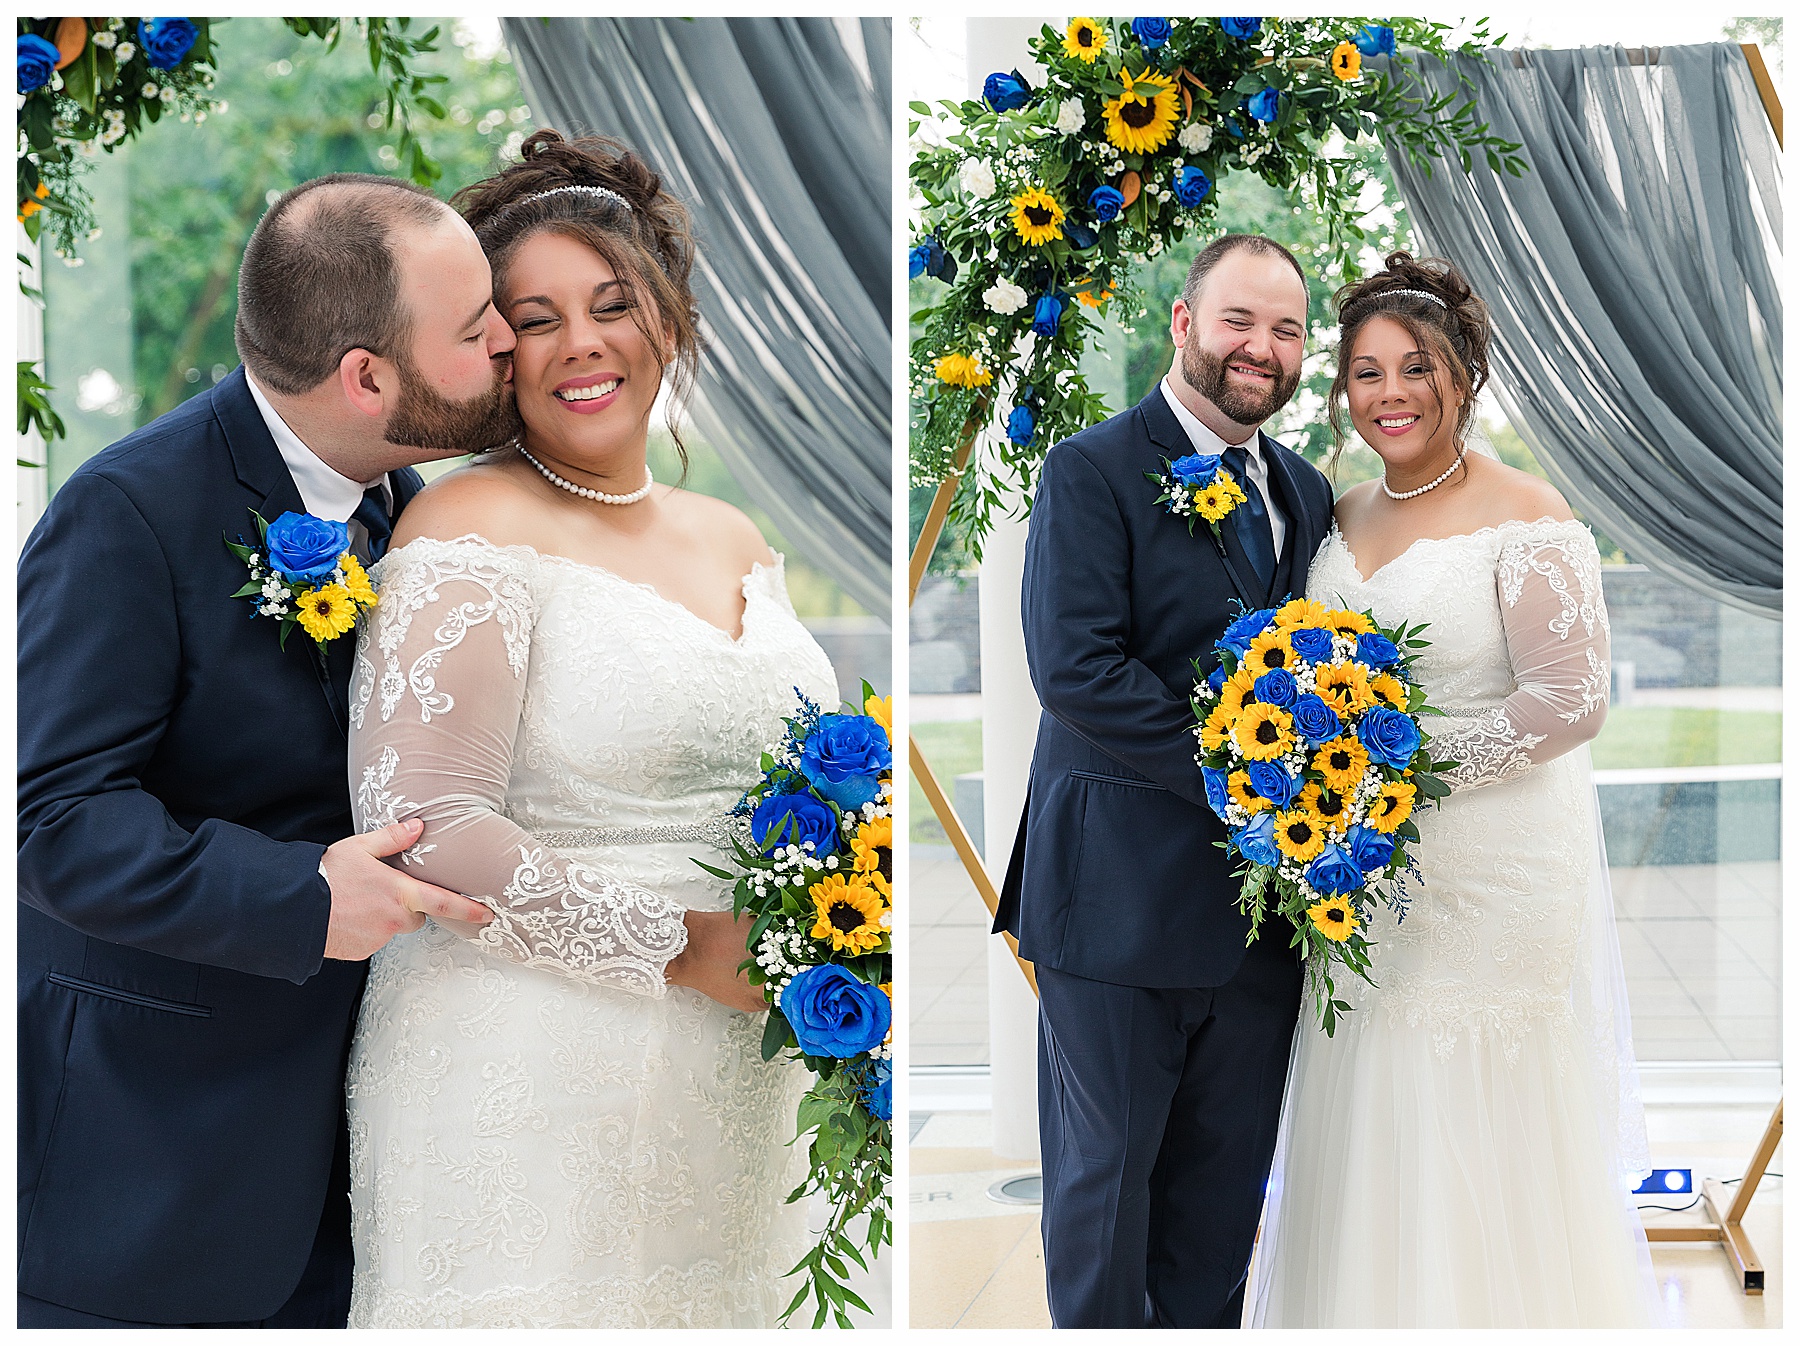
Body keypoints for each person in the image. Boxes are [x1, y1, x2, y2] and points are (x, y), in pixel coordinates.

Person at [340, 130, 839, 1328]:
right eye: (537, 317)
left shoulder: (734, 532)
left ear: (666, 316)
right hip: (528, 1065)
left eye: (613, 304)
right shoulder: (467, 522)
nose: (583, 345)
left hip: (742, 1071)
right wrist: (682, 946)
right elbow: (423, 829)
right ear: (496, 354)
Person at [17, 174, 517, 1327]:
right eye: (473, 323)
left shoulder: (409, 499)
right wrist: (300, 893)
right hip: (156, 1160)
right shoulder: (125, 515)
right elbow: (50, 817)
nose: (504, 339)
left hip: (369, 1144)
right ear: (366, 376)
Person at [1248, 252, 1658, 1327]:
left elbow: (1570, 700)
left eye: (1413, 368)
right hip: (1369, 880)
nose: (1389, 393)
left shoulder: (1527, 513)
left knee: (1478, 1104)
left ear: (1462, 374)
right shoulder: (1337, 516)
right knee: (1372, 1096)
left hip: (1498, 870)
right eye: (1366, 372)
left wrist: (1403, 774)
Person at [995, 233, 1335, 1328]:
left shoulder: (1307, 488)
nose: (1262, 347)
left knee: (1219, 1199)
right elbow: (1077, 669)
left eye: (1286, 330)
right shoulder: (1091, 467)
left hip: (1261, 920)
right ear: (1184, 322)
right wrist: (1259, 783)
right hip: (1116, 904)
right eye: (1240, 320)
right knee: (1106, 1190)